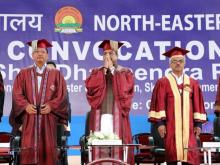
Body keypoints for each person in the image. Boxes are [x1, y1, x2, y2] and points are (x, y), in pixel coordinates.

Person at [9, 39, 68, 165]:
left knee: (48, 152)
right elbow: (17, 93)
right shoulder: (23, 73)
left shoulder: (56, 74)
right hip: (29, 119)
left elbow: (62, 95)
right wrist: (25, 106)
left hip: (48, 119)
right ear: (32, 55)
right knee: (28, 151)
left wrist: (51, 106)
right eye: (36, 52)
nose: (40, 54)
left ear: (47, 55)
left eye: (42, 52)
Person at [148, 47, 207, 165]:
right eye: (174, 61)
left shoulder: (192, 82)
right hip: (170, 126)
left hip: (189, 127)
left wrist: (198, 124)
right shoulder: (163, 82)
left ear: (185, 63)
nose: (178, 63)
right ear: (170, 64)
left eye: (180, 60)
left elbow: (197, 103)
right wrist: (160, 124)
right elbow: (159, 103)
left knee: (190, 155)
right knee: (172, 155)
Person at [85, 40, 134, 164]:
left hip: (118, 118)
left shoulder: (125, 72)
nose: (108, 57)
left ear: (117, 55)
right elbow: (91, 88)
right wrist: (104, 72)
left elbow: (125, 89)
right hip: (99, 116)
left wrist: (112, 70)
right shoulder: (96, 72)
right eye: (105, 54)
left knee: (118, 149)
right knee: (100, 150)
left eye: (111, 53)